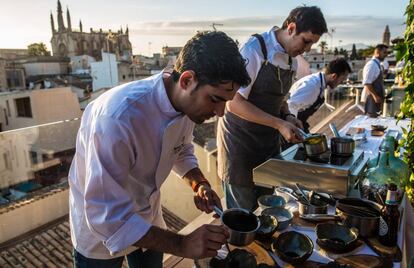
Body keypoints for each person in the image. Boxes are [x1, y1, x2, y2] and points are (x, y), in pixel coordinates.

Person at [68, 31, 251, 268]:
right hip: (99, 231)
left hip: (148, 216)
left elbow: (181, 149)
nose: (221, 112)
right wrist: (183, 245)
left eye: (226, 102)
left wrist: (199, 184)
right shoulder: (118, 118)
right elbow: (107, 217)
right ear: (187, 80)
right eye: (215, 99)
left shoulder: (186, 104)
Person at [217, 6, 327, 210]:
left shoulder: (292, 60)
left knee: (267, 209)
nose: (308, 49)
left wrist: (287, 116)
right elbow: (233, 102)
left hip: (267, 143)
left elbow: (280, 98)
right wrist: (279, 123)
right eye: (306, 41)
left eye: (312, 43)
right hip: (240, 144)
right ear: (291, 28)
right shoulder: (254, 49)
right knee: (243, 216)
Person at [287, 58, 352, 133]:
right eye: (342, 80)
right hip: (292, 125)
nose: (341, 83)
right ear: (334, 76)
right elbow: (291, 105)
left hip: (300, 123)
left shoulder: (320, 83)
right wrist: (293, 129)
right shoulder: (312, 86)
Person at [361, 44, 389, 117]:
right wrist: (375, 96)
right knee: (370, 120)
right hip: (371, 98)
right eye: (384, 52)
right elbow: (367, 83)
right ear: (377, 52)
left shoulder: (377, 64)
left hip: (376, 98)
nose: (386, 55)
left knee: (375, 120)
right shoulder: (371, 65)